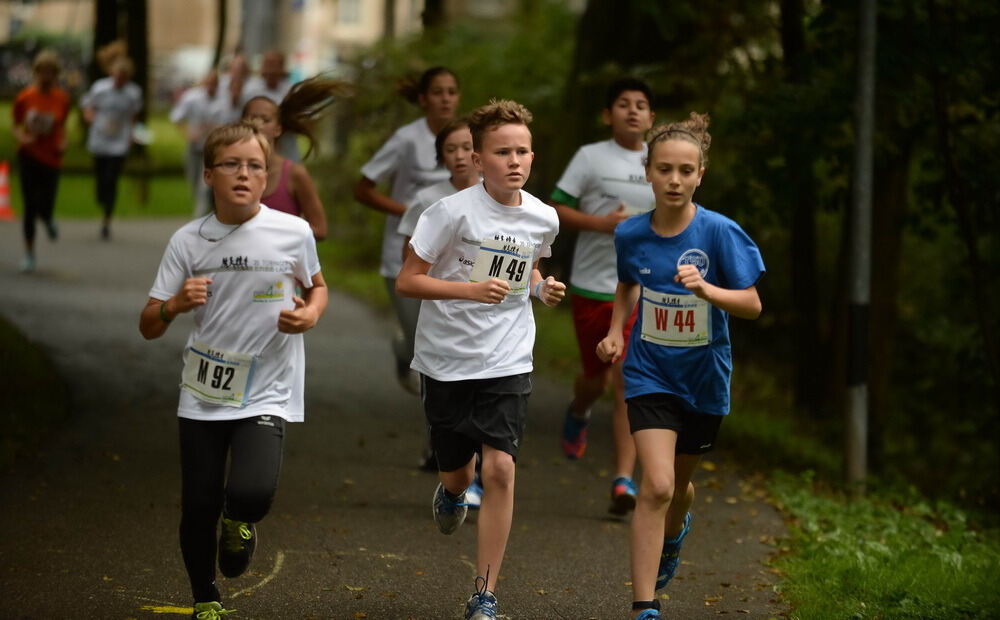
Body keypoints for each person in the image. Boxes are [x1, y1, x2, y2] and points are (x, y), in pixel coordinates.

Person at [138, 121, 328, 620]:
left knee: (252, 492)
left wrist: (308, 314)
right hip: (204, 390)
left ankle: (239, 520)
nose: (244, 174)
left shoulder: (293, 231)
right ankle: (205, 596)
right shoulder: (188, 240)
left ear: (267, 177)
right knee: (197, 504)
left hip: (267, 387)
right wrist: (176, 304)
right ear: (208, 175)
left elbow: (318, 287)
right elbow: (148, 324)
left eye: (255, 165)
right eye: (231, 164)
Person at [396, 99, 566, 620]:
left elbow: (530, 270)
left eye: (521, 151)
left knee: (501, 471)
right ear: (478, 156)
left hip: (508, 359)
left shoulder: (543, 217)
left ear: (532, 156)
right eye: (501, 152)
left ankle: (484, 594)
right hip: (447, 361)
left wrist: (542, 290)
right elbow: (408, 280)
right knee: (458, 475)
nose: (513, 161)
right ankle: (449, 493)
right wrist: (468, 291)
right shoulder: (449, 213)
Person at [595, 113, 765, 620]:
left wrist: (706, 290)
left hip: (705, 379)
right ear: (647, 172)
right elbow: (628, 283)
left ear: (700, 175)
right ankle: (645, 605)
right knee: (658, 484)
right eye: (664, 169)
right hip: (649, 374)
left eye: (685, 171)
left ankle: (675, 535)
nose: (674, 180)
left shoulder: (720, 233)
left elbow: (753, 304)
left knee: (680, 488)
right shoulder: (630, 234)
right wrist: (613, 330)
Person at [550, 78, 655, 515]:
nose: (633, 111)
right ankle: (578, 409)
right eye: (624, 104)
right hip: (595, 284)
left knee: (627, 381)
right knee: (595, 379)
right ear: (607, 114)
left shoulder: (662, 160)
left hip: (648, 286)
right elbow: (555, 206)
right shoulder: (591, 157)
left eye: (642, 105)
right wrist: (600, 225)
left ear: (652, 117)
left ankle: (623, 481)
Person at [353, 66, 459, 401]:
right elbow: (363, 188)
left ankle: (439, 430)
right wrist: (415, 217)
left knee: (441, 342)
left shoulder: (467, 139)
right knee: (418, 340)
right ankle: (403, 350)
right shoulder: (406, 139)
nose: (446, 99)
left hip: (452, 256)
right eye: (438, 92)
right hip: (402, 253)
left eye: (452, 91)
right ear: (423, 99)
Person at [397, 116, 482, 485]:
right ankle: (443, 447)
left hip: (486, 308)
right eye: (451, 149)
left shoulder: (500, 196)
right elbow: (410, 258)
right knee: (442, 384)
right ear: (441, 157)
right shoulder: (427, 200)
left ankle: (476, 470)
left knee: (485, 385)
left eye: (467, 147)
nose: (460, 156)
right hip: (439, 306)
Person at [242, 75, 351, 240]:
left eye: (265, 120)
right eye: (252, 118)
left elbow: (320, 230)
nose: (258, 124)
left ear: (278, 129)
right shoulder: (229, 170)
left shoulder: (295, 174)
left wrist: (273, 230)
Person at [12, 49, 71, 273]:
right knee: (29, 205)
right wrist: (22, 137)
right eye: (42, 72)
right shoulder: (25, 97)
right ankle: (29, 253)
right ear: (36, 72)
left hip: (52, 158)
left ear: (56, 75)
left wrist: (63, 142)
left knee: (45, 204)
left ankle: (48, 220)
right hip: (29, 156)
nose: (46, 76)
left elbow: (62, 126)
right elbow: (16, 125)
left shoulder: (62, 99)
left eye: (51, 72)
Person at [80, 55, 142, 240]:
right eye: (118, 76)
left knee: (112, 178)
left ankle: (106, 220)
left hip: (119, 141)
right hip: (100, 139)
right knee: (101, 179)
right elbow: (87, 106)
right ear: (112, 73)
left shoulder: (133, 93)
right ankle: (101, 197)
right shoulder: (100, 88)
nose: (120, 80)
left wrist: (132, 134)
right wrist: (89, 117)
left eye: (124, 77)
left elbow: (134, 115)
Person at [170, 69, 220, 217]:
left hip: (212, 150)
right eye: (209, 83)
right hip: (194, 148)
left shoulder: (223, 100)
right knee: (193, 183)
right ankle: (210, 212)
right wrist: (187, 134)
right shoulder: (192, 98)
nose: (211, 86)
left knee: (204, 187)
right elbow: (176, 118)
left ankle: (198, 219)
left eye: (214, 83)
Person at [242, 50, 300, 162]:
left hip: (285, 147)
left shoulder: (291, 91)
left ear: (282, 68)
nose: (270, 70)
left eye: (274, 65)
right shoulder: (250, 89)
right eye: (267, 64)